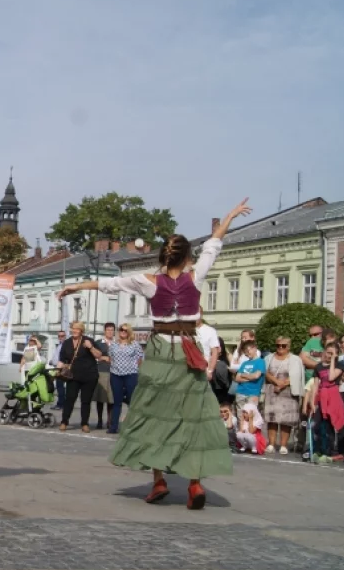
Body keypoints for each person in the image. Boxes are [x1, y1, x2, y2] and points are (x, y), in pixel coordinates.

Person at [58, 198, 252, 510]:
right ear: (188, 256)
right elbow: (215, 243)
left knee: (153, 414)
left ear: (163, 255)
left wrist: (75, 287)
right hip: (190, 349)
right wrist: (229, 216)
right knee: (194, 416)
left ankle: (159, 480)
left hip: (161, 350)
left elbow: (109, 284)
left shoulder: (147, 281)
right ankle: (195, 483)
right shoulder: (196, 275)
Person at [55, 321, 102, 433]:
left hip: (89, 376)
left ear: (81, 330)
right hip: (73, 376)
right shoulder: (66, 343)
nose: (74, 331)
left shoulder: (88, 340)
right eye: (73, 328)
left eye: (77, 329)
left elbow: (99, 355)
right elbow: (62, 359)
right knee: (69, 399)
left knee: (86, 401)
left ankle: (85, 424)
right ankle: (64, 421)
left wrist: (90, 348)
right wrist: (57, 371)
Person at [263, 336, 304, 455]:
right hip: (272, 390)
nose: (280, 348)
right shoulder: (269, 357)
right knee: (272, 418)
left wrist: (281, 385)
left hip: (289, 392)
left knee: (286, 420)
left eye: (283, 346)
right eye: (278, 345)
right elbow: (265, 372)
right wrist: (276, 382)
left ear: (289, 347)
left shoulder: (295, 359)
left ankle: (283, 445)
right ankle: (271, 444)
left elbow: (296, 376)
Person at [312, 342, 344, 463]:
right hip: (321, 397)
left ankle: (330, 450)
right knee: (317, 425)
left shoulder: (340, 364)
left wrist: (333, 360)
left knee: (330, 426)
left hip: (333, 397)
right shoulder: (318, 367)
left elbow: (331, 377)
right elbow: (315, 385)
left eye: (332, 353)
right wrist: (312, 402)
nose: (329, 355)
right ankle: (317, 449)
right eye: (328, 352)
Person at [108, 324, 144, 434]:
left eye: (125, 330)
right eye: (121, 330)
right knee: (117, 402)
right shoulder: (114, 344)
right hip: (116, 374)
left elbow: (140, 359)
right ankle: (113, 427)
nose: (123, 332)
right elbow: (110, 358)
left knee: (131, 400)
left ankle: (133, 424)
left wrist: (135, 368)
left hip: (130, 374)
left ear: (129, 332)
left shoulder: (135, 344)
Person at [94, 323, 116, 430]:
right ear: (105, 331)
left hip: (114, 372)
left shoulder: (117, 343)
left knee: (110, 398)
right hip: (101, 371)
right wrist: (103, 358)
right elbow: (94, 356)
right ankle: (99, 420)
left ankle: (109, 420)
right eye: (108, 330)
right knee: (100, 398)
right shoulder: (98, 343)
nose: (110, 332)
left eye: (112, 330)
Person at [234, 340, 266, 409]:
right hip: (240, 392)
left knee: (251, 415)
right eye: (245, 352)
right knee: (241, 416)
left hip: (253, 394)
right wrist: (250, 377)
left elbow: (256, 376)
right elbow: (237, 378)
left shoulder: (260, 361)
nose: (247, 353)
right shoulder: (244, 363)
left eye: (248, 351)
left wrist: (244, 375)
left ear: (254, 348)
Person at [50, 330, 68, 409]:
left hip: (61, 368)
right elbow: (57, 356)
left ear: (65, 336)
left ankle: (61, 404)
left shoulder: (65, 345)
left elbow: (64, 358)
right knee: (59, 386)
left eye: (62, 336)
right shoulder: (60, 345)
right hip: (57, 367)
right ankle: (60, 403)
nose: (60, 337)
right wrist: (51, 361)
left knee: (60, 386)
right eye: (59, 336)